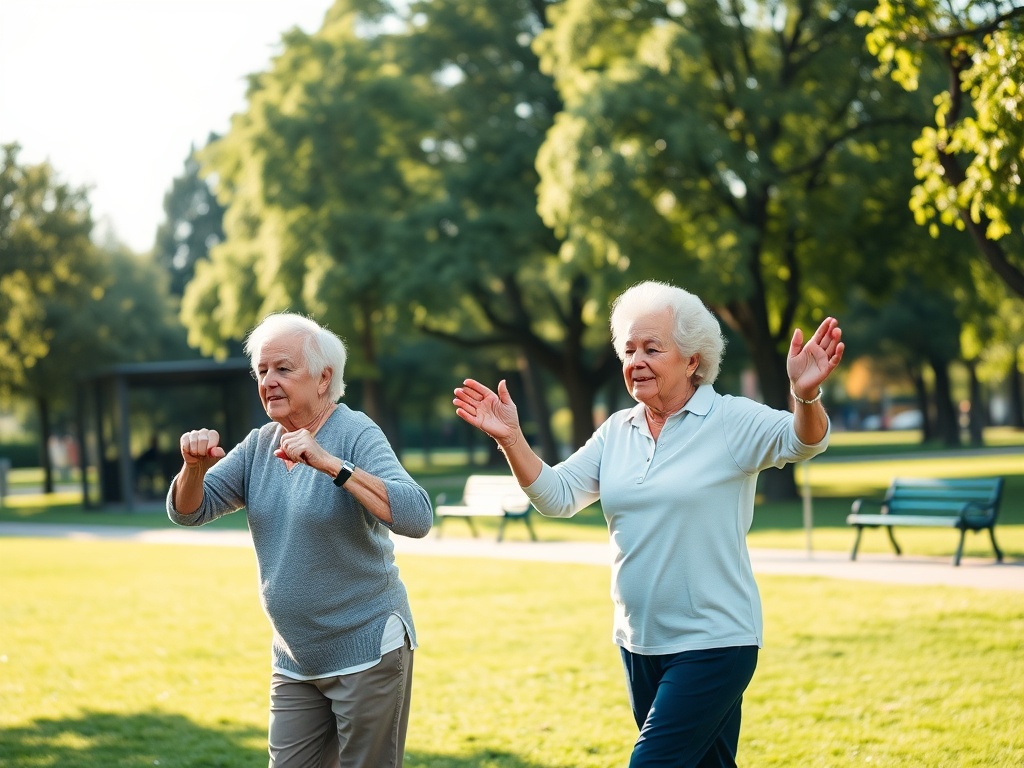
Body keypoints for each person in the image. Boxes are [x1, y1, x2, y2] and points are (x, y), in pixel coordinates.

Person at [452, 280, 844, 768]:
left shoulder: (729, 420)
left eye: (652, 349)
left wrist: (804, 397)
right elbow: (557, 496)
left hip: (715, 641)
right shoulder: (617, 430)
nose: (636, 360)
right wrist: (512, 439)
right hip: (638, 642)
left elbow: (804, 441)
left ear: (693, 360)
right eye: (629, 349)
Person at [167, 312, 433, 768]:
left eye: (283, 369)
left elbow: (416, 515)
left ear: (324, 377)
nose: (269, 380)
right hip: (295, 659)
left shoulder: (355, 432)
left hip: (367, 649)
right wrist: (193, 468)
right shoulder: (259, 445)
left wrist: (332, 464)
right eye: (262, 371)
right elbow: (189, 511)